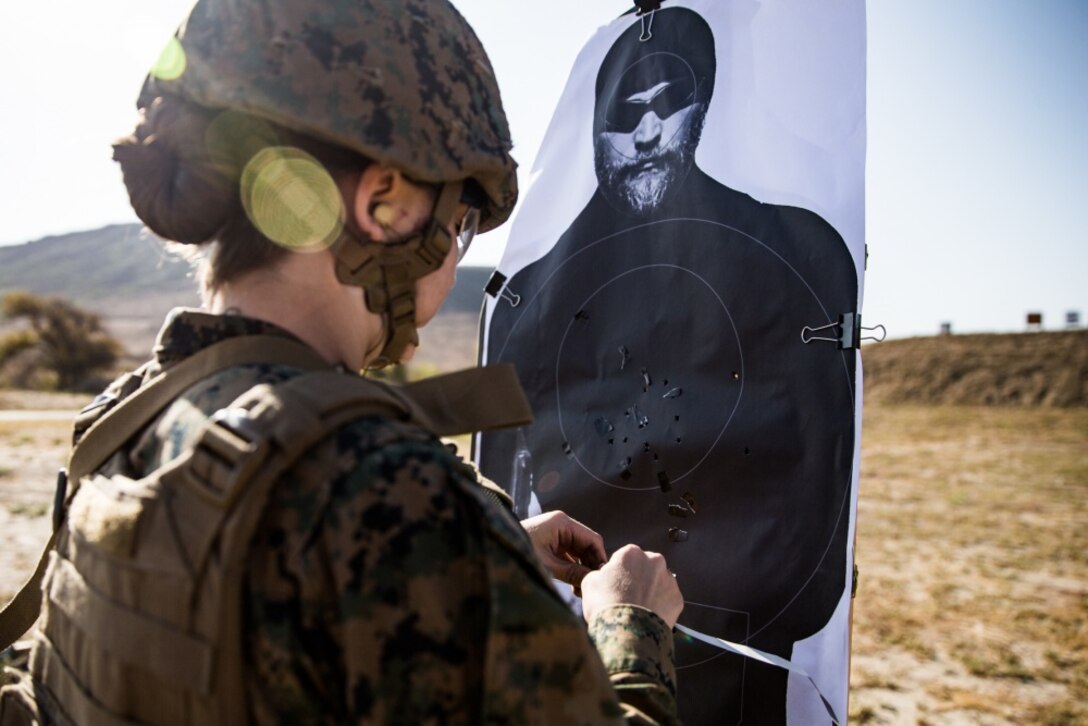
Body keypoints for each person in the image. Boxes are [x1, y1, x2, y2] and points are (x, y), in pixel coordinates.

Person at [0, 0, 684, 723]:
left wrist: (485, 551)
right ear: (385, 205)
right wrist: (631, 629)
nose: (458, 261)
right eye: (462, 225)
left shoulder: (122, 425)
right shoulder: (386, 496)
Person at [479, 7, 859, 724]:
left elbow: (817, 489)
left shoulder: (795, 251)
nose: (648, 133)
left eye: (669, 105)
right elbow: (503, 470)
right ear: (597, 126)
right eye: (628, 114)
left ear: (703, 108)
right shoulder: (536, 289)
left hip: (744, 659)